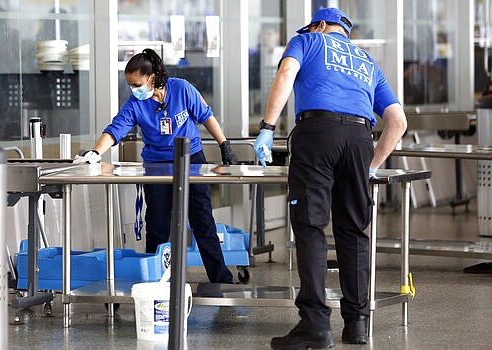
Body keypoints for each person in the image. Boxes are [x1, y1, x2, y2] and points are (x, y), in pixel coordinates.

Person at [253, 8, 407, 349]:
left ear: (320, 25)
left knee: (310, 226)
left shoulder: (307, 41)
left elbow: (285, 75)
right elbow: (398, 122)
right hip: (359, 139)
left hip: (317, 133)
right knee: (353, 232)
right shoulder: (368, 62)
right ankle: (357, 325)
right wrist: (371, 166)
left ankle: (315, 326)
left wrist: (266, 128)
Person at [74, 48, 237, 283]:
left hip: (191, 160)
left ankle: (221, 278)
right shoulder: (135, 104)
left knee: (203, 221)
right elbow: (116, 128)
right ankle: (156, 280)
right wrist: (96, 151)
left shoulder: (182, 89)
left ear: (152, 77)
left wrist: (224, 145)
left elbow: (205, 115)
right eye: (130, 85)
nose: (134, 89)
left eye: (137, 83)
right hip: (157, 166)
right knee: (158, 225)